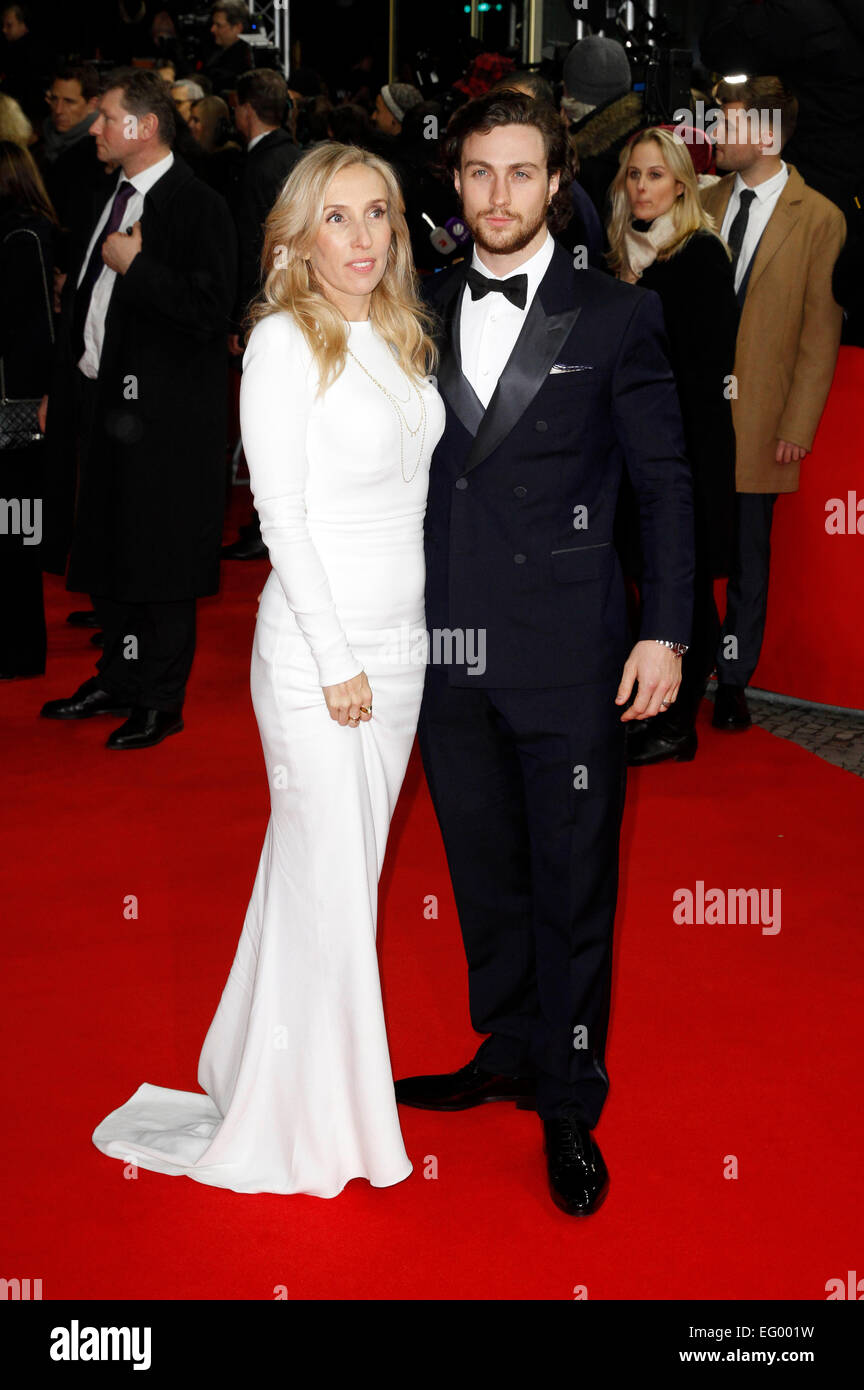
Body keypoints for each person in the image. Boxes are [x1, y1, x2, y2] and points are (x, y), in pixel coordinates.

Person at [91, 142, 446, 1196]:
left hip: (404, 646)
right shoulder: (285, 344)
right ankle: (325, 1125)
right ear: (295, 234)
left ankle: (256, 1068)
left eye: (377, 214)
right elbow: (282, 516)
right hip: (317, 657)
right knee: (333, 887)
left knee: (326, 881)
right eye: (336, 218)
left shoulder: (398, 332)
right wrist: (339, 660)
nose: (363, 238)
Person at [395, 91, 695, 1216]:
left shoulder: (617, 316)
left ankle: (570, 1100)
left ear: (558, 182)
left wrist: (667, 629)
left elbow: (665, 485)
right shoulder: (411, 310)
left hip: (573, 652)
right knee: (486, 873)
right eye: (478, 173)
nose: (498, 196)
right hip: (447, 651)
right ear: (456, 183)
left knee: (573, 882)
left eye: (521, 174)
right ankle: (509, 1047)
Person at [38, 68, 237, 750]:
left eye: (107, 117)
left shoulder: (196, 204)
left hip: (165, 423)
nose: (93, 128)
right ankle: (117, 679)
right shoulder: (107, 190)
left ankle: (161, 700)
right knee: (106, 554)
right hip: (102, 405)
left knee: (159, 563)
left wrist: (134, 268)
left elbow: (212, 311)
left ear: (144, 128)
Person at [701, 77, 846, 731]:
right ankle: (678, 669)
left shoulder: (819, 217)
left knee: (750, 558)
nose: (713, 137)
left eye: (727, 127)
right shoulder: (699, 201)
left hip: (761, 420)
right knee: (684, 548)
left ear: (764, 135)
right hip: (693, 417)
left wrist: (797, 425)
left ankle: (734, 679)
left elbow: (821, 333)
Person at [607, 126, 738, 764]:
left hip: (688, 453)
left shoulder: (699, 255)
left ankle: (677, 724)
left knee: (682, 587)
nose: (641, 186)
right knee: (650, 577)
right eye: (634, 174)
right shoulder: (631, 254)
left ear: (682, 184)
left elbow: (698, 369)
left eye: (655, 175)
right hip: (640, 455)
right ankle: (650, 708)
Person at [223, 67, 300, 562]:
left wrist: (243, 322)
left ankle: (266, 523)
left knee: (268, 421)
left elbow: (255, 250)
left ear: (246, 111)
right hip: (304, 307)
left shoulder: (257, 169)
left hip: (270, 311)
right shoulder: (301, 158)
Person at [0, 138, 57, 679]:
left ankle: (20, 651)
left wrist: (39, 398)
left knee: (17, 531)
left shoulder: (23, 234)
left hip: (16, 412)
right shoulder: (25, 232)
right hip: (17, 404)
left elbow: (38, 329)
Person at [202, 2, 252, 99]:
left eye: (219, 25)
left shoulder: (245, 60)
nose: (212, 29)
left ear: (238, 28)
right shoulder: (215, 53)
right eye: (213, 24)